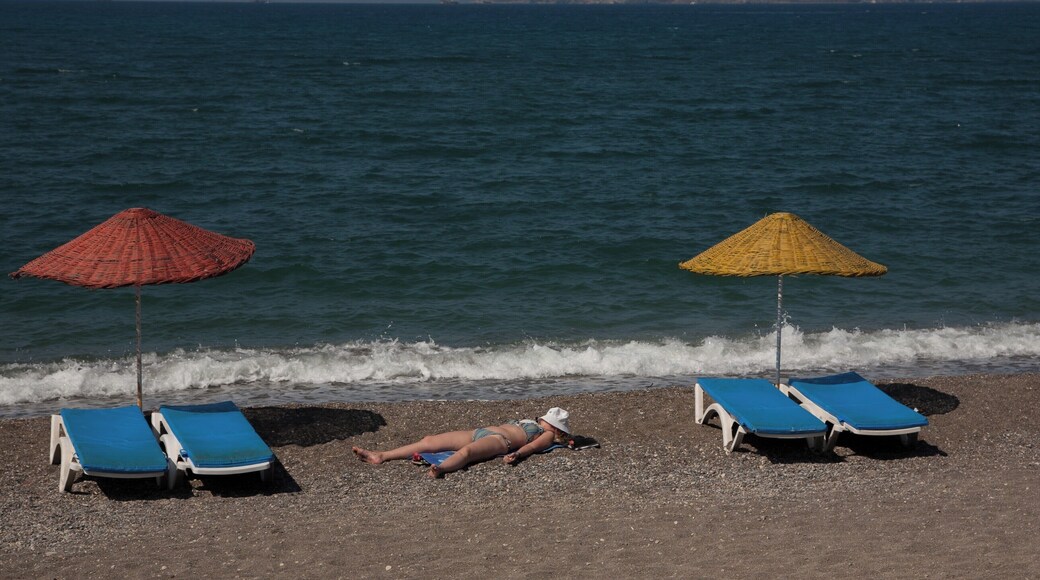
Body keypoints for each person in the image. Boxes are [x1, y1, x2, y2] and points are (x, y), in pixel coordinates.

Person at [352, 407, 572, 478]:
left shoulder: (548, 434)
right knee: (429, 441)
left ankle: (441, 468)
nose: (543, 419)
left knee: (467, 452)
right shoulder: (531, 421)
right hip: (479, 432)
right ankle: (381, 455)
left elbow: (534, 447)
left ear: (554, 426)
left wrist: (518, 454)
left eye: (548, 420)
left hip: (500, 441)